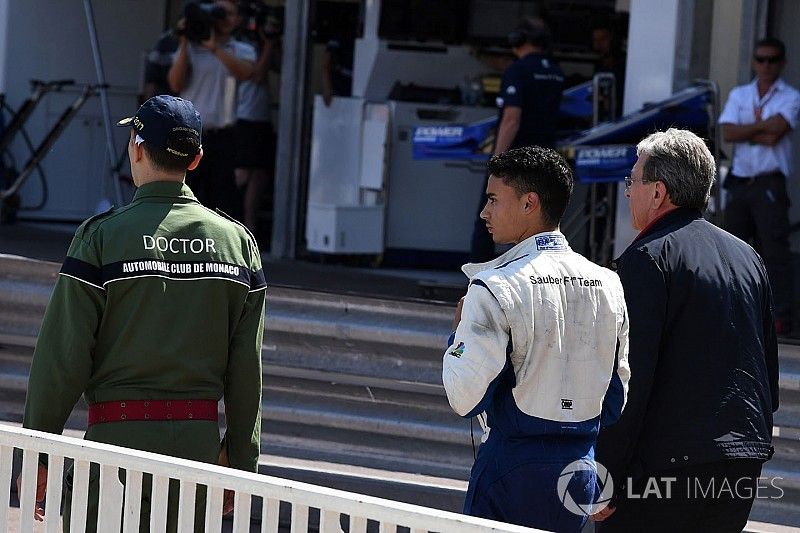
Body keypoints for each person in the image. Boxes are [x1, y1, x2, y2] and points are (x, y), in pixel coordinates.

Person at [18, 95, 267, 531]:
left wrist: (38, 454)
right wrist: (241, 463)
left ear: (135, 147)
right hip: (198, 450)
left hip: (115, 448)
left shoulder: (101, 238)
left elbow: (62, 357)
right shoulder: (238, 244)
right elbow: (247, 369)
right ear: (196, 159)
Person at [592, 129, 780, 532]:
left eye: (632, 181)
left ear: (657, 192)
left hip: (663, 472)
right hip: (739, 463)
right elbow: (768, 375)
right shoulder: (748, 257)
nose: (627, 193)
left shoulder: (647, 259)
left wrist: (603, 473)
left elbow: (629, 380)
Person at [443, 146, 630, 532]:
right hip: (578, 473)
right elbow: (614, 401)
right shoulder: (610, 284)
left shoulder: (493, 286)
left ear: (530, 203)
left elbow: (463, 396)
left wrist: (457, 333)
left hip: (509, 469)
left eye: (493, 199)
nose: (484, 212)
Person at [718, 37, 800, 336]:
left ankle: (779, 318)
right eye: (761, 59)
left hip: (769, 183)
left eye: (772, 59)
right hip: (741, 182)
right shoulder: (741, 94)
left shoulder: (790, 96)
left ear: (782, 63)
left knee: (774, 252)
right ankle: (731, 311)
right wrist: (762, 127)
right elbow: (728, 132)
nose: (766, 65)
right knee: (733, 249)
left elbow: (776, 135)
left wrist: (746, 131)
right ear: (754, 61)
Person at [469, 18, 565, 263]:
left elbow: (511, 118)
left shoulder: (517, 70)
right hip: (546, 160)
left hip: (516, 162)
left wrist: (497, 160)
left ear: (520, 40)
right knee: (540, 221)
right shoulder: (556, 72)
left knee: (488, 215)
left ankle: (478, 278)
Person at [168, 0, 256, 217]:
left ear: (237, 19)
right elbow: (175, 84)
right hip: (190, 134)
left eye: (228, 14)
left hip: (223, 136)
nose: (223, 19)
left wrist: (214, 48)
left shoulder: (240, 49)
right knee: (185, 198)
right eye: (219, 13)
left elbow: (245, 73)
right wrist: (186, 40)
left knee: (223, 201)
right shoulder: (191, 48)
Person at [235, 19, 277, 236]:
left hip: (261, 118)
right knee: (241, 174)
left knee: (259, 174)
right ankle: (233, 222)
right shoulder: (239, 47)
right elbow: (258, 75)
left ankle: (249, 227)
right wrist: (268, 44)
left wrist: (269, 43)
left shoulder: (260, 46)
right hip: (242, 117)